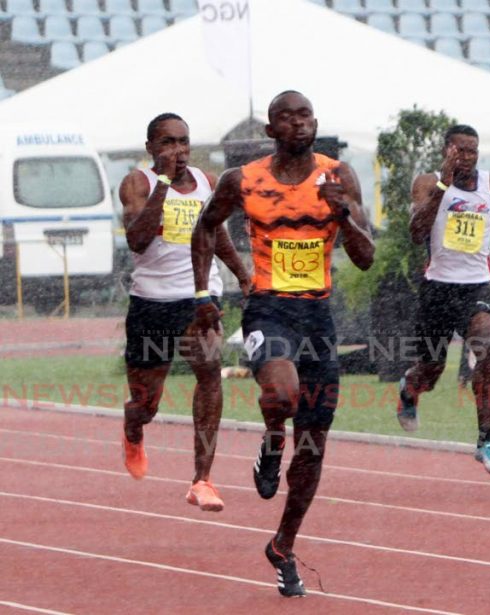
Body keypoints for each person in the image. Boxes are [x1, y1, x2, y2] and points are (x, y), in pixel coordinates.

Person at [191, 91, 375, 597]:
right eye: (286, 117)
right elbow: (205, 228)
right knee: (282, 396)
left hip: (317, 316)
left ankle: (282, 546)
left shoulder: (338, 176)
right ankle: (272, 440)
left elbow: (365, 257)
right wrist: (204, 293)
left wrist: (344, 216)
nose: (298, 123)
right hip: (269, 307)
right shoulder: (243, 180)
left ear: (315, 123)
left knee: (313, 450)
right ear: (272, 130)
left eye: (305, 115)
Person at [119, 113, 249, 512]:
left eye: (183, 142)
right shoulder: (137, 183)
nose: (177, 151)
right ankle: (133, 425)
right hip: (152, 304)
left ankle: (202, 479)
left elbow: (216, 233)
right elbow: (138, 240)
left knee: (210, 374)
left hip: (198, 298)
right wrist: (162, 182)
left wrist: (243, 276)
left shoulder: (207, 182)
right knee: (147, 404)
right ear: (151, 149)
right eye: (167, 143)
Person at [398, 124, 490, 474]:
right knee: (432, 370)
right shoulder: (428, 183)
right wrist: (444, 184)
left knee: (485, 347)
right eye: (460, 151)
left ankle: (485, 441)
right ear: (446, 151)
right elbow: (416, 232)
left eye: (473, 151)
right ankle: (410, 388)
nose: (467, 157)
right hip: (437, 287)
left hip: (475, 286)